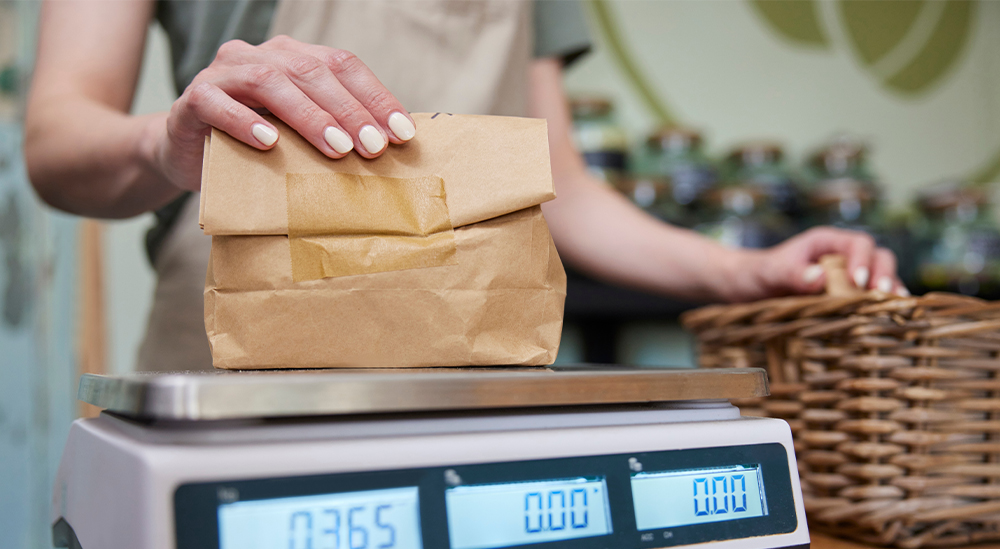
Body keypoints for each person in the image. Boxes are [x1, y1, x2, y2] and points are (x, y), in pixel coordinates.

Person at [24, 0, 902, 371]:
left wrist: (742, 272)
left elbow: (559, 183)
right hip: (241, 378)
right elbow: (56, 140)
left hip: (469, 371)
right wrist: (163, 142)